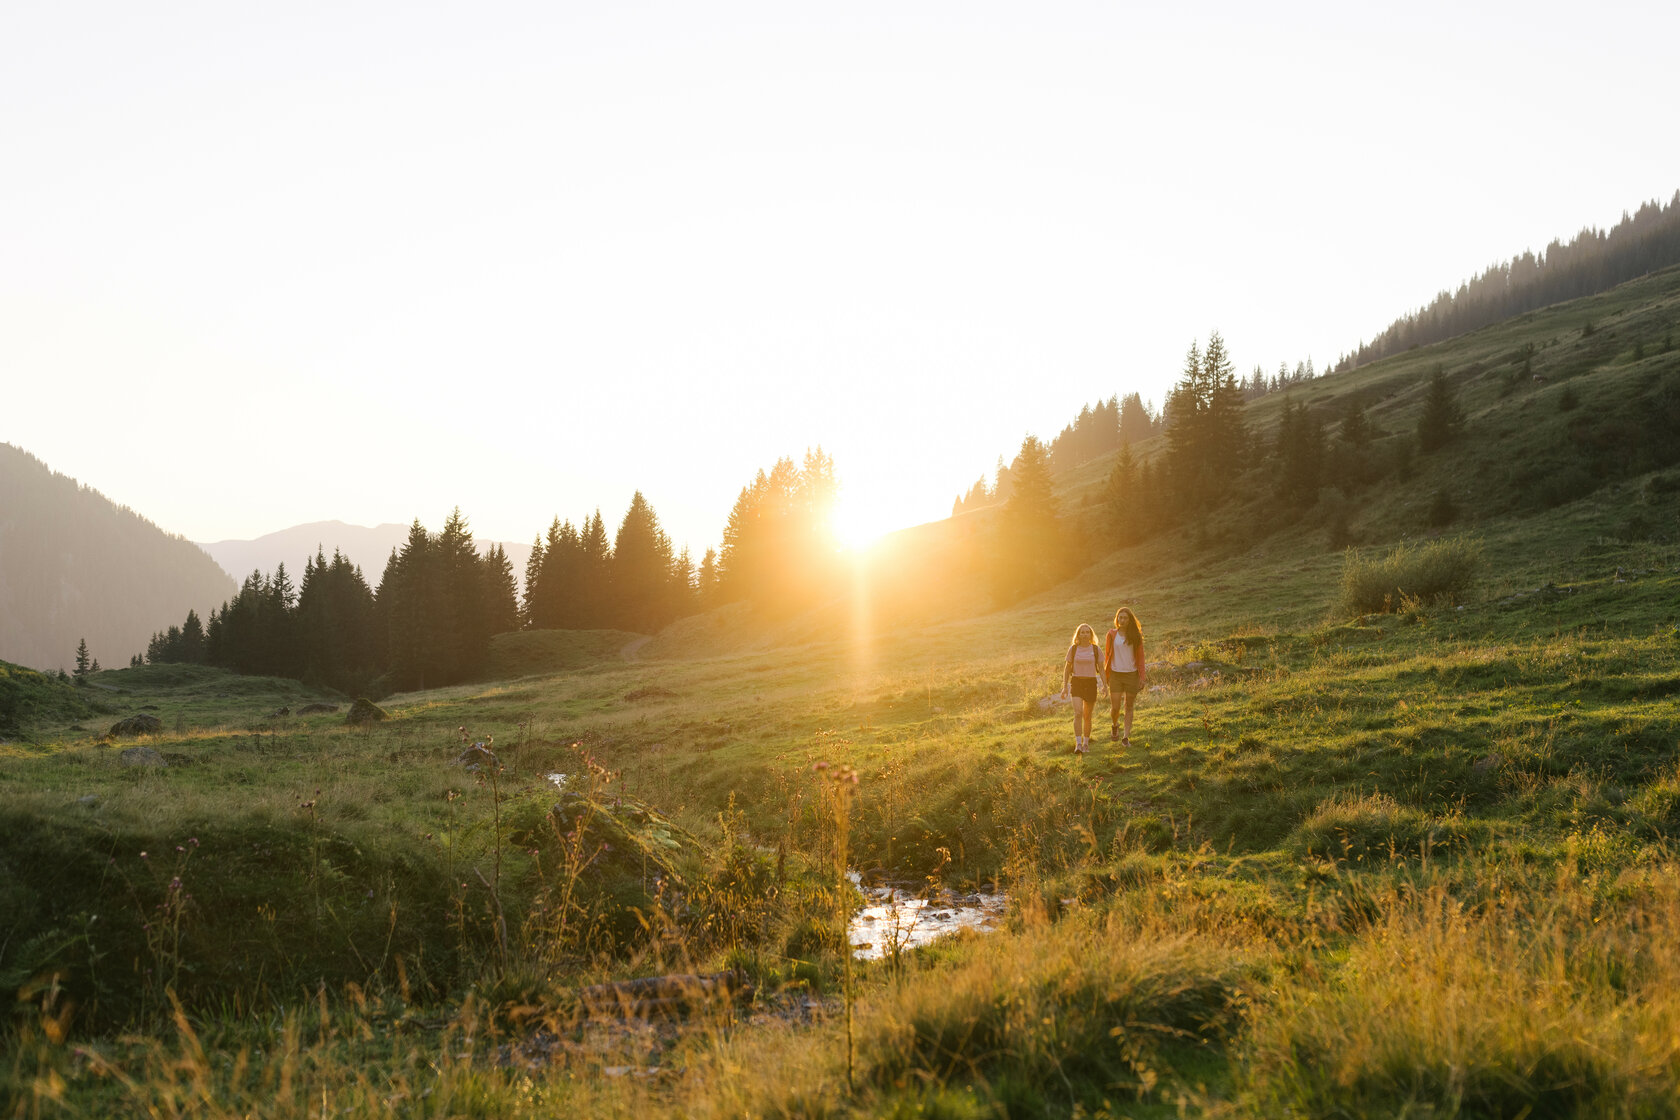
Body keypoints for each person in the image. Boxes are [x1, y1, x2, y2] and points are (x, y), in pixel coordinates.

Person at [1060, 623, 1107, 754]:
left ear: (1091, 635)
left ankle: (1086, 743)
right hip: (1077, 683)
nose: (1085, 634)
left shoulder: (1096, 650)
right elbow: (1067, 669)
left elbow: (1102, 669)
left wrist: (1105, 686)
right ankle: (1078, 744)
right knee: (1078, 713)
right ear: (1078, 634)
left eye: (1087, 632)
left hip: (1091, 683)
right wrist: (1065, 687)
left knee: (1087, 716)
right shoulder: (1073, 649)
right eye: (1082, 632)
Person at [1104, 606, 1146, 747]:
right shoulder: (1111, 634)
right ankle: (1115, 724)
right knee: (1115, 707)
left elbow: (1140, 658)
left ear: (1130, 620)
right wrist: (1106, 675)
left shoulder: (1136, 635)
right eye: (1120, 617)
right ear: (1117, 619)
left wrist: (1142, 677)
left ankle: (1125, 737)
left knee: (1129, 706)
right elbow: (1107, 656)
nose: (1122, 620)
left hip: (1131, 675)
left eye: (1125, 618)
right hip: (1115, 675)